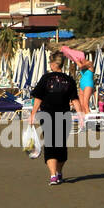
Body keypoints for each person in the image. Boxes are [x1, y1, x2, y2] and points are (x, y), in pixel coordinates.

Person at [29, 50, 78, 185]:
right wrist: (80, 114)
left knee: (51, 145)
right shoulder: (69, 80)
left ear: (52, 64)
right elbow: (75, 100)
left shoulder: (46, 78)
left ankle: (53, 175)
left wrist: (33, 114)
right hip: (64, 115)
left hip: (48, 115)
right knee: (61, 145)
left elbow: (38, 98)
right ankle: (58, 173)